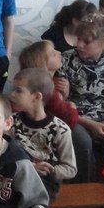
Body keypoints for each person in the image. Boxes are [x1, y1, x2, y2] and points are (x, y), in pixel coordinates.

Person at [59, 17, 104, 168]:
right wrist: (91, 124)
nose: (79, 45)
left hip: (103, 116)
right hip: (74, 116)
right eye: (78, 38)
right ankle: (84, 182)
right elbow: (59, 105)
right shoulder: (66, 59)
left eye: (86, 41)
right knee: (83, 141)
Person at [18, 40, 92, 183]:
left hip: (56, 123)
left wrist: (65, 95)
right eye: (53, 54)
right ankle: (83, 185)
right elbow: (69, 119)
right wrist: (71, 106)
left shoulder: (55, 81)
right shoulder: (48, 90)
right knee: (83, 141)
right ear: (42, 65)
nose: (59, 53)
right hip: (46, 128)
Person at [8, 68, 78, 201]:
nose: (11, 95)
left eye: (18, 91)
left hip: (45, 184)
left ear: (37, 97)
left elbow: (70, 169)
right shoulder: (11, 122)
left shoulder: (60, 129)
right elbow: (4, 156)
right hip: (15, 178)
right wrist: (30, 168)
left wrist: (46, 170)